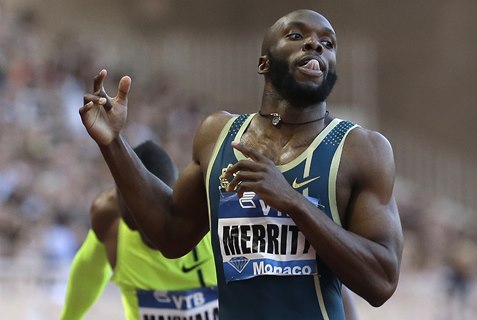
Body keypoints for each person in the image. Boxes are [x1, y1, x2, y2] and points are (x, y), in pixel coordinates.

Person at [79, 9, 403, 319]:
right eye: (296, 35)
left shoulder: (362, 149)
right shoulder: (217, 135)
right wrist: (113, 143)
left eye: (328, 43)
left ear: (332, 69)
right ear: (264, 63)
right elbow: (169, 233)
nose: (315, 44)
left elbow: (382, 281)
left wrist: (293, 203)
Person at [60, 141, 218, 320]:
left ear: (177, 195)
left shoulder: (211, 213)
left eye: (161, 219)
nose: (151, 230)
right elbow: (89, 269)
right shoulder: (108, 218)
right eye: (139, 223)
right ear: (119, 204)